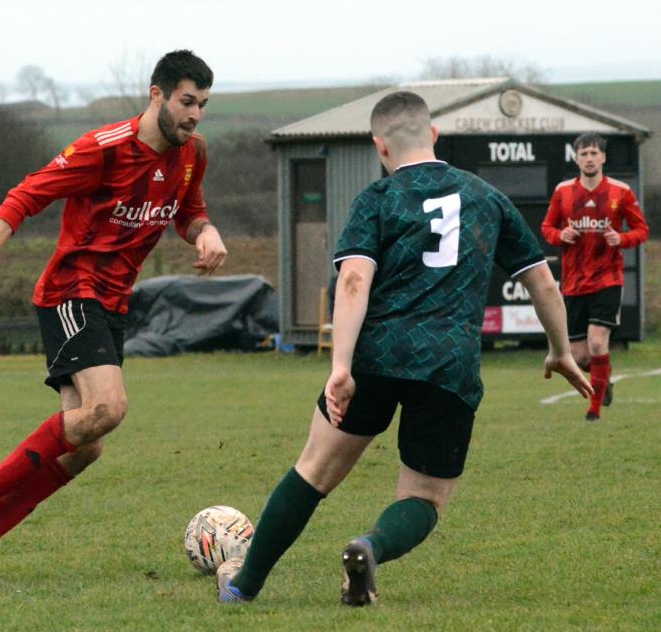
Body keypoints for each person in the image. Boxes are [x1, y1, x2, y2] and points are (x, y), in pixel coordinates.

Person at [215, 91, 592, 606]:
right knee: (424, 496)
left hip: (375, 354)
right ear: (433, 134)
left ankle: (242, 586)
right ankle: (370, 546)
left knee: (315, 469)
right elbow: (544, 284)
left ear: (379, 146)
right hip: (449, 365)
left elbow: (353, 281)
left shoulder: (378, 198)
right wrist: (560, 351)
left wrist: (340, 366)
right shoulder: (486, 196)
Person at [0, 49, 227, 582]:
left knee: (87, 445)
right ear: (156, 94)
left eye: (204, 105)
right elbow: (24, 195)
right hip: (72, 291)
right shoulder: (104, 149)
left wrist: (205, 231)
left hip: (114, 304)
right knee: (108, 409)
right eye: (187, 102)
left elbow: (188, 212)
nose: (195, 116)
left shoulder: (192, 154)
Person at [541, 132, 649, 421]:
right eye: (584, 153)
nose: (589, 158)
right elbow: (547, 228)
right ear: (576, 158)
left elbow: (642, 230)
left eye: (593, 153)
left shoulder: (620, 192)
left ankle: (594, 409)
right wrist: (560, 234)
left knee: (599, 343)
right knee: (579, 357)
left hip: (607, 279)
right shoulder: (564, 191)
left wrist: (622, 239)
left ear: (603, 157)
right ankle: (606, 377)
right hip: (574, 281)